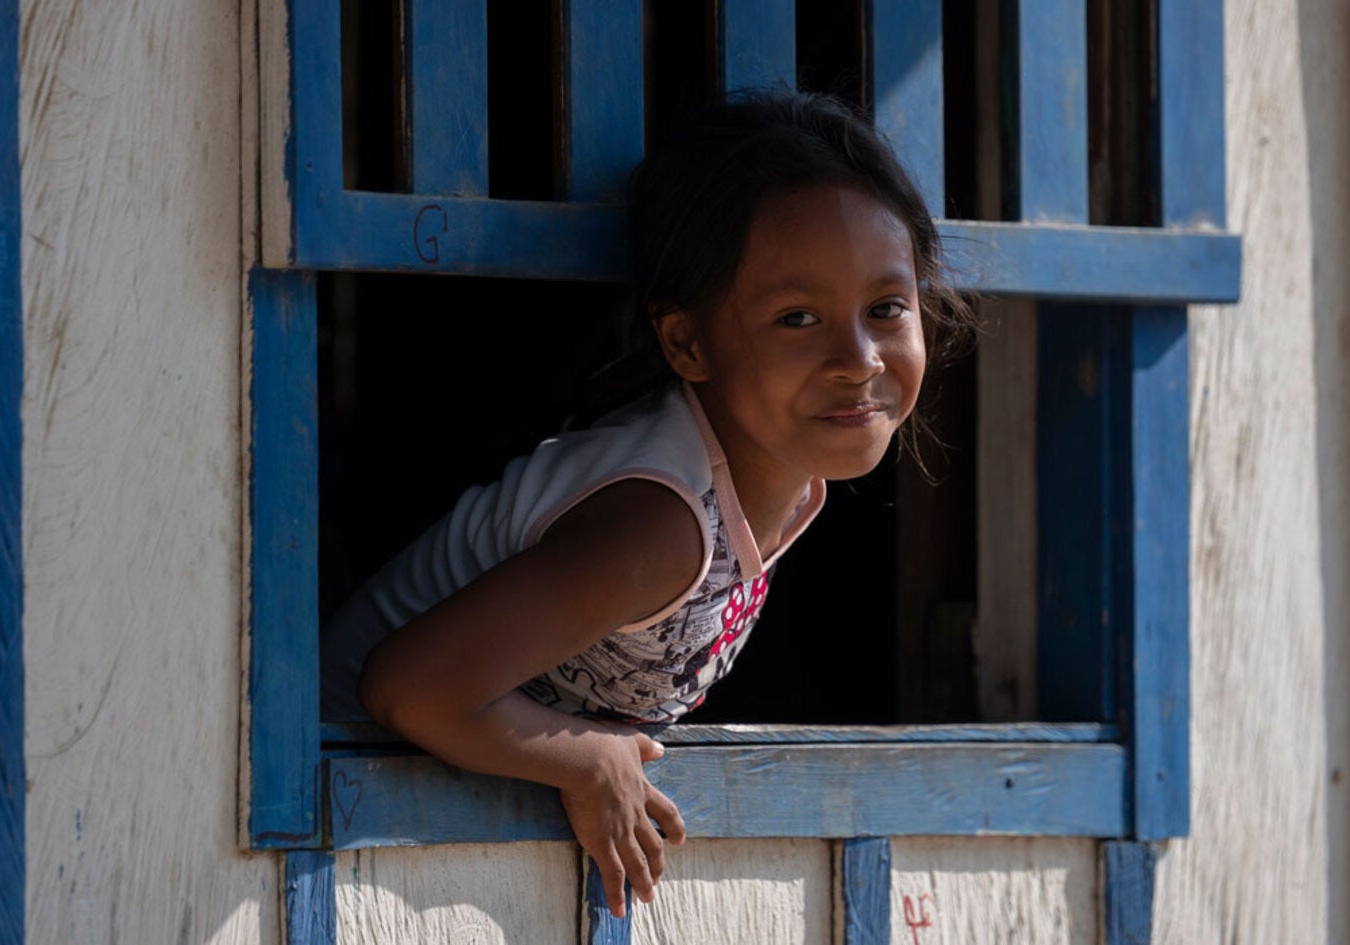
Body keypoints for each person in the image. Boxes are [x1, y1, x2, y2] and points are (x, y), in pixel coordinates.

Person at [320, 90, 973, 918]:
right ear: (686, 343)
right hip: (339, 803)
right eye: (797, 317)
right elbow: (406, 688)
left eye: (885, 308)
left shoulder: (791, 482)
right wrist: (585, 758)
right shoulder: (659, 525)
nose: (859, 357)